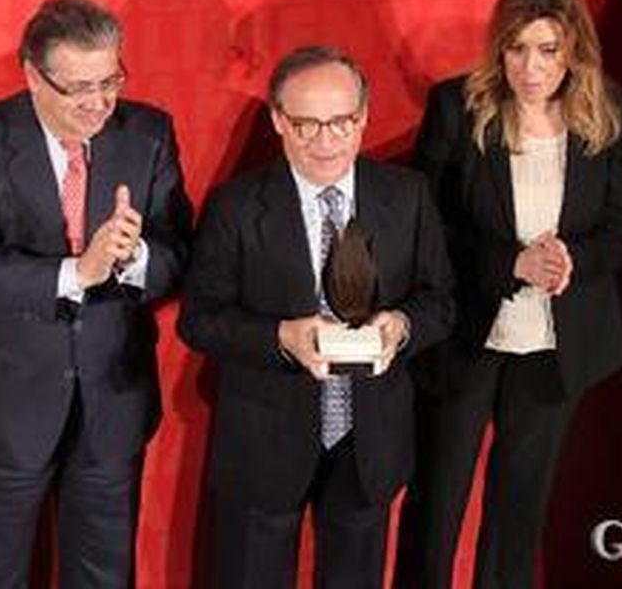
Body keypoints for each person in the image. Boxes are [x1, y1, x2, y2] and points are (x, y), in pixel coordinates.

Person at [0, 0, 193, 589]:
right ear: (32, 74)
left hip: (111, 402)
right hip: (4, 405)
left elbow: (181, 250)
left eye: (110, 81)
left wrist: (137, 257)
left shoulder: (148, 133)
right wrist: (79, 272)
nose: (98, 103)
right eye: (78, 87)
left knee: (103, 576)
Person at [394, 0, 622, 589]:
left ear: (574, 50)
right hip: (467, 336)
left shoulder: (608, 115)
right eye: (517, 48)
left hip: (556, 345)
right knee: (438, 499)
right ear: (499, 48)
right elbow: (427, 230)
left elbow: (620, 228)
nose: (531, 67)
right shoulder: (460, 107)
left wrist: (571, 260)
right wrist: (510, 263)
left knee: (519, 507)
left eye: (548, 50)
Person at [178, 45, 453, 588]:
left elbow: (440, 302)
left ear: (364, 116)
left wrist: (400, 327)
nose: (326, 140)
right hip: (265, 440)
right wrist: (282, 336)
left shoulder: (408, 196)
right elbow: (200, 319)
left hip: (369, 442)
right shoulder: (236, 205)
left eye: (342, 122)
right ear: (279, 120)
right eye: (306, 125)